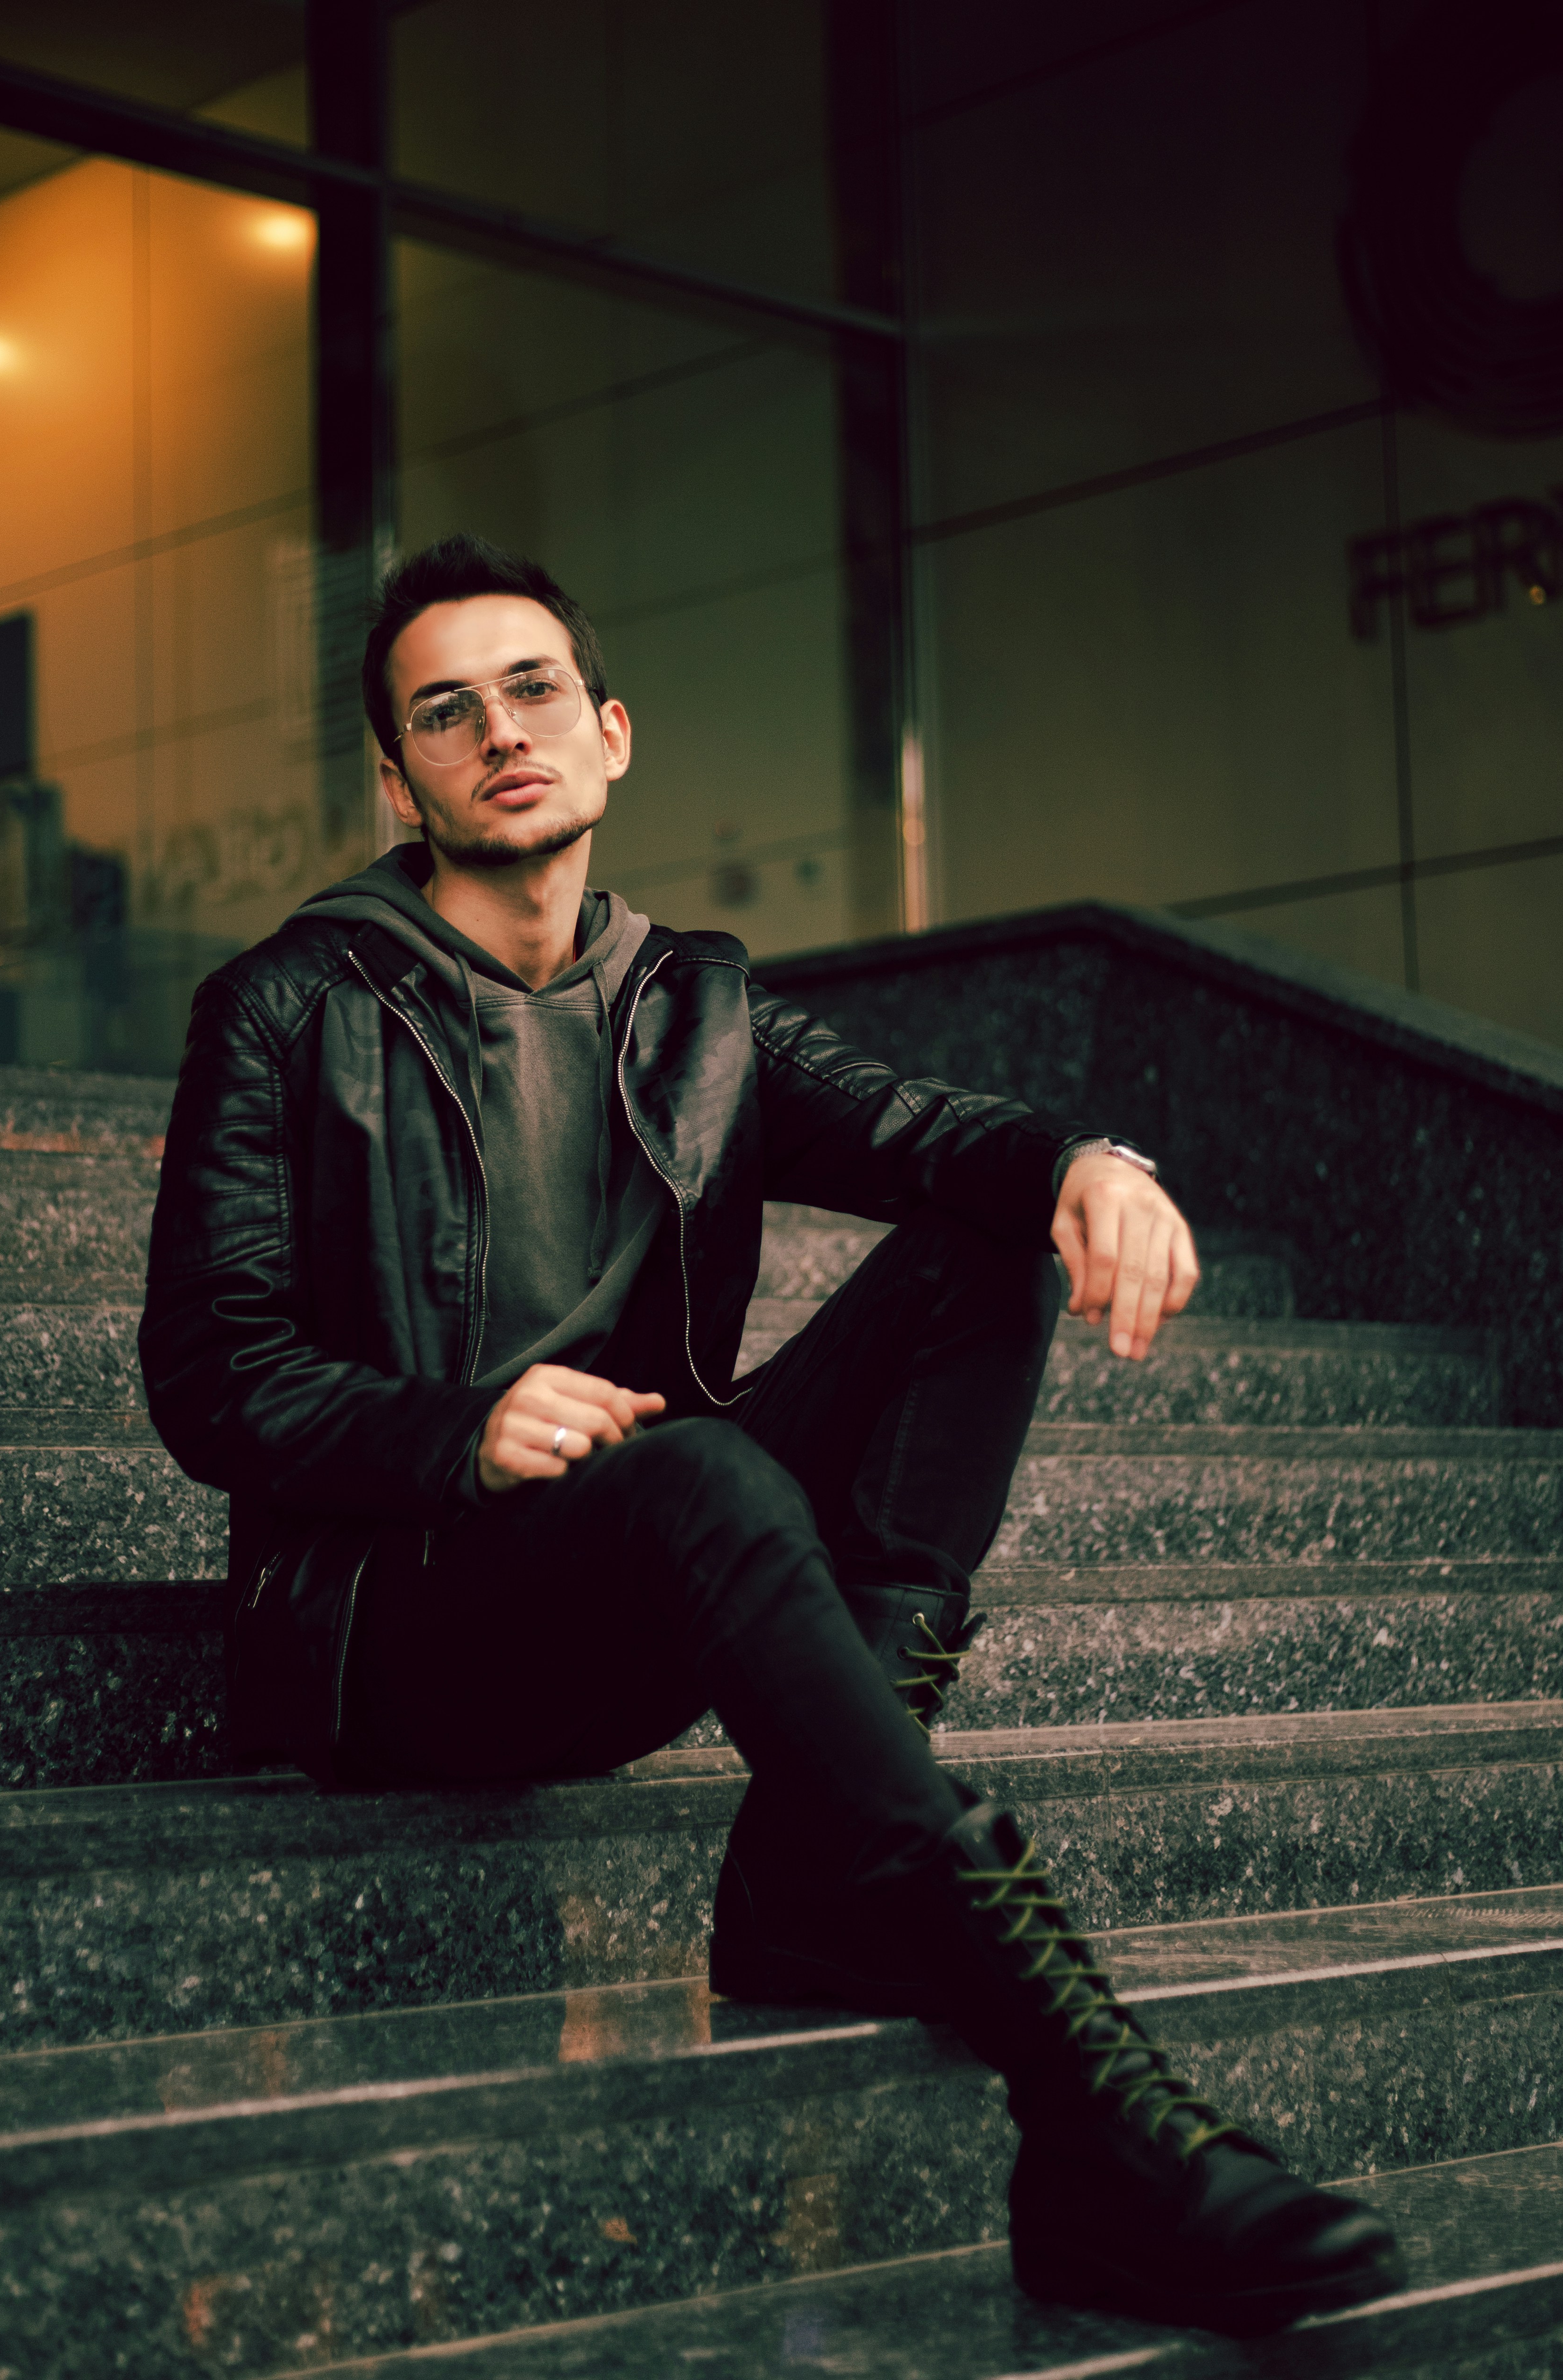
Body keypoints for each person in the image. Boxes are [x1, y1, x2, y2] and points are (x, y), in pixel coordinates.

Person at [140, 531, 1405, 2338]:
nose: (500, 732)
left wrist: (1082, 1164)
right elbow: (208, 1369)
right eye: (445, 711)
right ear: (395, 777)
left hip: (641, 1554)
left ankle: (817, 1877)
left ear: (610, 732)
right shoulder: (286, 1008)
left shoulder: (693, 1007)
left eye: (534, 692)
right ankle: (1103, 2128)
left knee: (985, 1239)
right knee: (704, 1468)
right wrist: (454, 1427)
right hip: (396, 1626)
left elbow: (916, 1129)